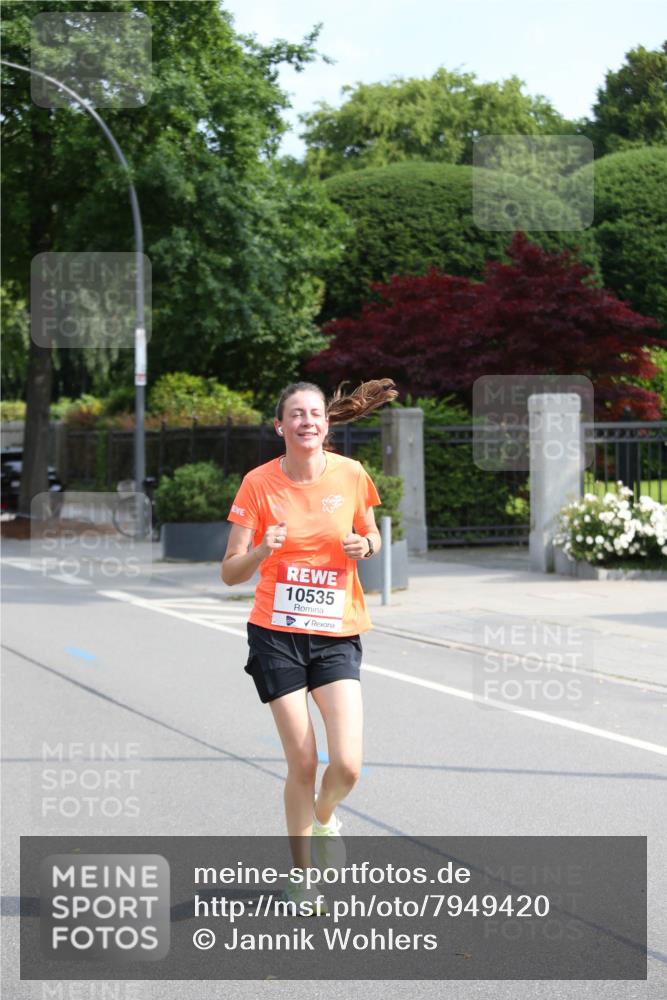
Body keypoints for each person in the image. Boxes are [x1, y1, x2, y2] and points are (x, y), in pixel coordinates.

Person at [221, 378, 397, 915]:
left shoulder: (351, 474)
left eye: (315, 413)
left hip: (336, 631)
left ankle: (324, 819)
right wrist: (261, 552)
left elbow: (373, 535)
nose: (307, 422)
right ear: (281, 426)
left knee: (346, 764)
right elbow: (229, 572)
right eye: (296, 414)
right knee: (301, 760)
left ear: (327, 422)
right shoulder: (258, 484)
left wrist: (364, 544)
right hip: (276, 634)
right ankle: (301, 879)